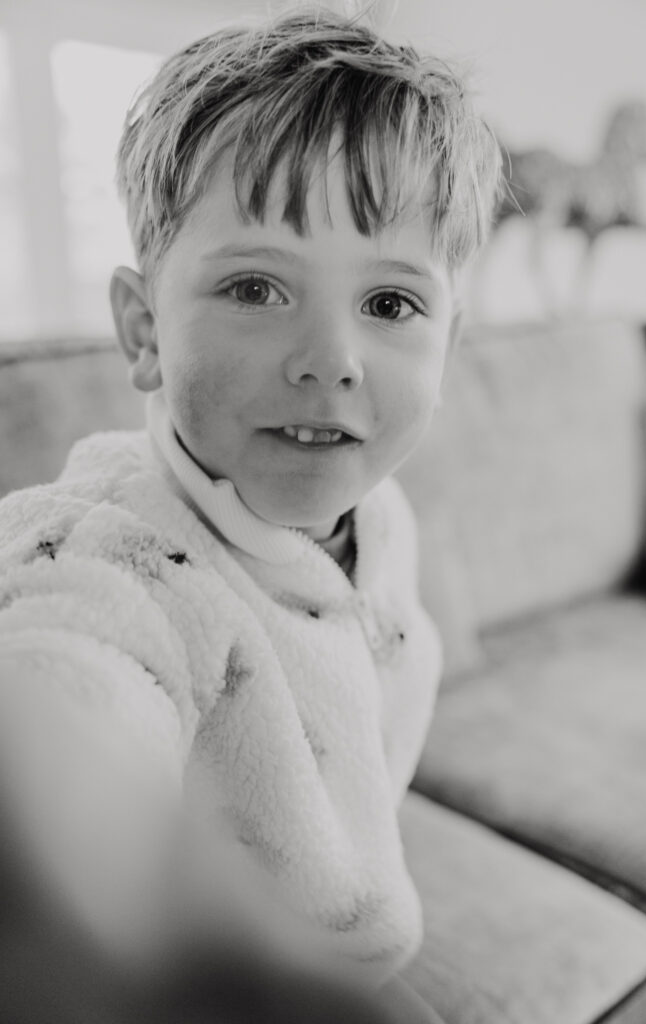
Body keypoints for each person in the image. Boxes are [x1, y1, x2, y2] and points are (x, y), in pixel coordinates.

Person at [0, 6, 501, 1019]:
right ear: (144, 330)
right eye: (256, 287)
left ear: (450, 335)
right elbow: (62, 694)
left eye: (391, 303)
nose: (330, 358)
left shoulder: (380, 513)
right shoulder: (123, 552)